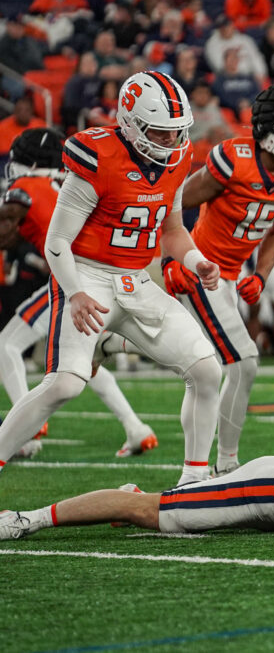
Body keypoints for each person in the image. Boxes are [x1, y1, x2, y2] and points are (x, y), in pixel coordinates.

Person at [0, 71, 223, 488]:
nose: (172, 143)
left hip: (135, 279)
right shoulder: (97, 156)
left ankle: (194, 481)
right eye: (161, 133)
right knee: (65, 384)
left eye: (177, 133)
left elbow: (171, 228)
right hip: (87, 274)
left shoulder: (177, 157)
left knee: (208, 371)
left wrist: (196, 261)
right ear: (131, 123)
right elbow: (57, 243)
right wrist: (77, 293)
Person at [0, 394, 274, 540]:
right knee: (155, 513)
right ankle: (29, 519)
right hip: (271, 492)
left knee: (156, 508)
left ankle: (127, 499)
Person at [157, 84, 274, 475]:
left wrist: (261, 275)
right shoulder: (234, 160)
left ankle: (213, 464)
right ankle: (226, 464)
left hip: (229, 275)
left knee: (207, 372)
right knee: (242, 361)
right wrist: (172, 261)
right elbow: (169, 206)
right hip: (202, 270)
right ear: (269, 131)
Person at [0, 128, 156, 459]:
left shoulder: (25, 187)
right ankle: (135, 428)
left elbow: (6, 231)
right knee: (82, 364)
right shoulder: (65, 183)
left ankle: (23, 430)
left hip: (82, 282)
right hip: (111, 277)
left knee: (5, 346)